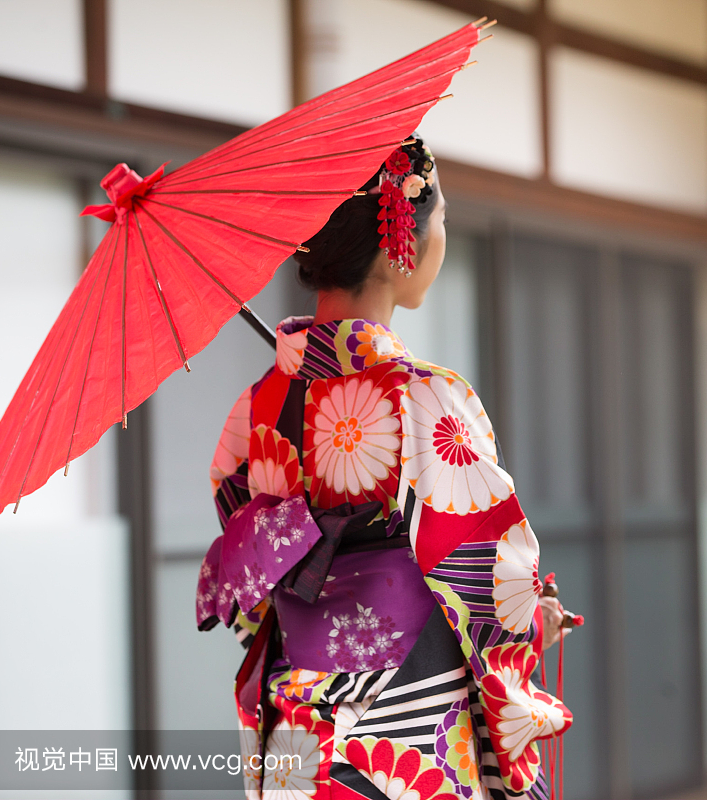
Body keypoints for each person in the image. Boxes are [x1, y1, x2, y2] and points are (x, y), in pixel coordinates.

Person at [196, 135, 578, 800]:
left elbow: (253, 591)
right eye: (444, 219)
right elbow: (484, 575)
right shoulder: (422, 395)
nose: (445, 236)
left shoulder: (256, 407)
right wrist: (532, 625)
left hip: (296, 724)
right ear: (404, 239)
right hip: (406, 720)